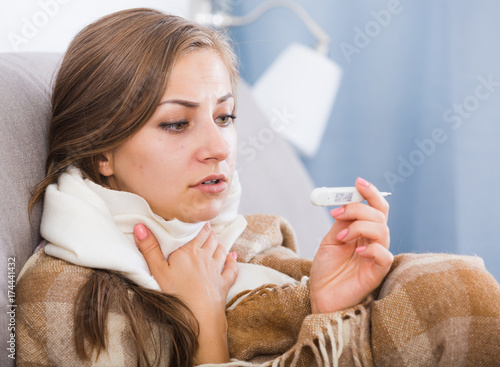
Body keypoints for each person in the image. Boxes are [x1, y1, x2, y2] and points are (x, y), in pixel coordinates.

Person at [16, 8, 500, 367]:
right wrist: (206, 325)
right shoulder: (69, 301)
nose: (219, 147)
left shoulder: (250, 239)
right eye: (176, 124)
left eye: (225, 116)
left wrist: (327, 301)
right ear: (102, 152)